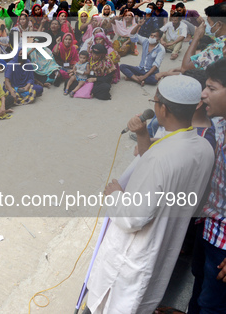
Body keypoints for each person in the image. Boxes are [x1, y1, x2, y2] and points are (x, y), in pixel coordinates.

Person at [86, 75, 214, 314]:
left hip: (133, 256)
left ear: (162, 108)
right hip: (163, 247)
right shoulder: (203, 148)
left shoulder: (161, 156)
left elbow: (134, 217)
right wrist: (145, 137)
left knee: (116, 305)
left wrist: (115, 195)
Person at [188, 58, 226, 313]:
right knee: (199, 281)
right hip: (208, 224)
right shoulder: (220, 123)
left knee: (211, 305)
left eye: (212, 88)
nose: (204, 93)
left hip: (223, 243)